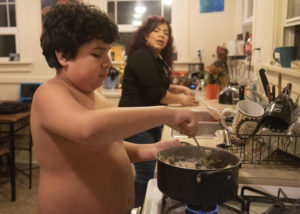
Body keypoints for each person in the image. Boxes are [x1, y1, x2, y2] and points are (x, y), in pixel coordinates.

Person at [31, 2, 198, 214]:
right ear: (63, 55)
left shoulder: (94, 96)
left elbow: (108, 148)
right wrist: (167, 113)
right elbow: (88, 130)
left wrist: (150, 150)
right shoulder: (49, 94)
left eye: (108, 52)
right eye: (97, 53)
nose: (108, 62)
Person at [118, 16, 198, 207]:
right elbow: (158, 94)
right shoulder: (141, 56)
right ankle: (139, 209)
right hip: (135, 122)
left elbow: (161, 85)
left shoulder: (155, 58)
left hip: (147, 120)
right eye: (157, 30)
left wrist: (180, 89)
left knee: (149, 169)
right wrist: (182, 100)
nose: (162, 35)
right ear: (146, 34)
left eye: (166, 33)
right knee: (146, 171)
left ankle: (143, 207)